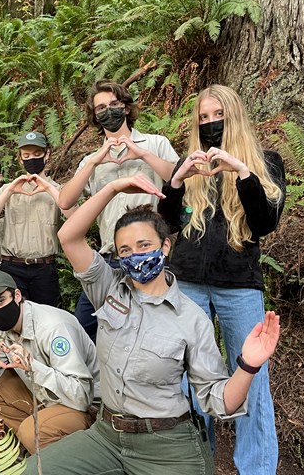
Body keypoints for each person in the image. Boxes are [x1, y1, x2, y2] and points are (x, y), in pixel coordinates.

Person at [23, 174, 281, 475]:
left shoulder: (190, 318)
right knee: (35, 471)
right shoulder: (108, 289)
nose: (135, 256)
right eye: (125, 250)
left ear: (166, 246)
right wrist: (112, 187)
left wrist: (248, 365)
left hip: (166, 444)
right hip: (106, 436)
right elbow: (69, 237)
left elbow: (219, 401)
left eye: (144, 245)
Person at [157, 84, 286, 474]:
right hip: (188, 281)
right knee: (190, 379)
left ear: (235, 117)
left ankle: (258, 468)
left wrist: (242, 171)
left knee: (252, 377)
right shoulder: (190, 163)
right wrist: (177, 181)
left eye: (218, 115)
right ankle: (196, 463)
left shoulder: (265, 161)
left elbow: (266, 222)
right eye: (203, 118)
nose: (211, 124)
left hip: (239, 286)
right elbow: (167, 220)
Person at [58, 80, 179, 341]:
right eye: (100, 108)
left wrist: (142, 155)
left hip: (151, 256)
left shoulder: (155, 143)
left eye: (114, 104)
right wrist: (94, 162)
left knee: (153, 331)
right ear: (94, 116)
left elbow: (179, 179)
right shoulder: (91, 160)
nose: (108, 111)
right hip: (110, 258)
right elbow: (65, 201)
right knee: (84, 330)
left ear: (125, 108)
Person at [0, 269, 100, 454]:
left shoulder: (53, 327)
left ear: (17, 295)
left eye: (0, 300)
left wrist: (34, 368)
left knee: (31, 431)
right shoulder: (1, 332)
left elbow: (82, 397)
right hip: (49, 398)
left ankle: (65, 453)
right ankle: (39, 444)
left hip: (89, 409)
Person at [0, 131, 74, 307]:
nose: (32, 159)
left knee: (46, 318)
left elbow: (74, 216)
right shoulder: (9, 189)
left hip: (44, 268)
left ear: (47, 154)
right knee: (16, 317)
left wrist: (48, 188)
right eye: (27, 155)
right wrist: (8, 191)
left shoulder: (58, 190)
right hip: (12, 266)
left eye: (37, 154)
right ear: (20, 158)